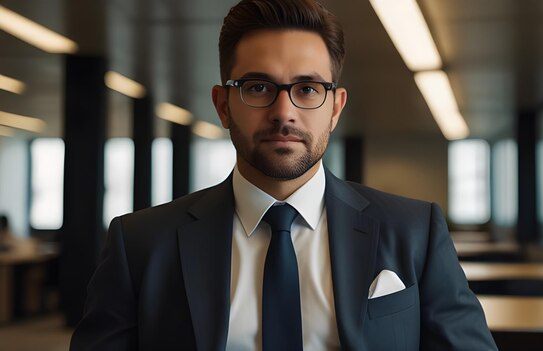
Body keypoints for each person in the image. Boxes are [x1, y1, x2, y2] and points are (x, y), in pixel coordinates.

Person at [70, 0, 497, 350]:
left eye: (308, 89)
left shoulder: (414, 231)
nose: (284, 112)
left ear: (335, 107)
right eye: (258, 87)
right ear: (223, 105)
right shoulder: (142, 243)